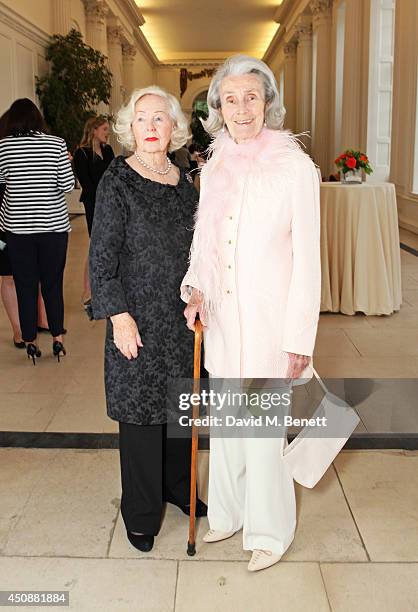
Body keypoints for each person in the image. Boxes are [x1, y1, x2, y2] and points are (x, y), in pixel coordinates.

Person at [182, 55, 321, 572]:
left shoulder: (295, 168)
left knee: (262, 435)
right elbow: (205, 239)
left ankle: (270, 531)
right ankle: (230, 512)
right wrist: (196, 290)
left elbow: (309, 259)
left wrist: (299, 336)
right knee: (229, 426)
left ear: (268, 103)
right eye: (231, 99)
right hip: (222, 320)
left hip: (269, 323)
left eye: (251, 98)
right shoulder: (214, 163)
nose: (241, 109)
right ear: (219, 107)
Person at [89, 85, 207, 554]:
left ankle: (178, 487)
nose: (152, 127)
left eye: (161, 118)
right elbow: (102, 259)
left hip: (179, 321)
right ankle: (140, 511)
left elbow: (199, 250)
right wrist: (118, 315)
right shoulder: (117, 181)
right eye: (143, 119)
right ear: (129, 129)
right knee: (140, 417)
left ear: (175, 128)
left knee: (180, 409)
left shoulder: (185, 184)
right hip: (135, 318)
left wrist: (200, 287)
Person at [0, 98, 74, 364]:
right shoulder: (55, 143)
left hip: (18, 229)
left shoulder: (4, 147)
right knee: (53, 284)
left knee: (25, 285)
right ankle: (57, 338)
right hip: (53, 227)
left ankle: (30, 340)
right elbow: (66, 185)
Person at [73, 116, 114, 305]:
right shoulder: (81, 153)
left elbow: (114, 177)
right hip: (93, 205)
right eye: (105, 129)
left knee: (109, 246)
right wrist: (102, 201)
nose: (107, 133)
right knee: (95, 246)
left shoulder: (108, 151)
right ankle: (88, 291)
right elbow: (87, 184)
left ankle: (104, 290)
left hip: (110, 204)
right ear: (94, 130)